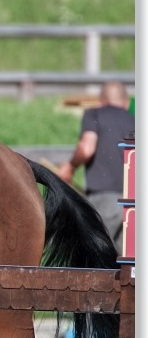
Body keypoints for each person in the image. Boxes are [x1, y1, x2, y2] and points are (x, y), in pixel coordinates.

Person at [56, 81, 135, 252]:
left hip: (104, 201)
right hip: (133, 203)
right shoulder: (134, 121)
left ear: (101, 101)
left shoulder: (94, 114)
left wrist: (70, 166)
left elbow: (86, 148)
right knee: (127, 268)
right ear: (127, 103)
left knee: (95, 261)